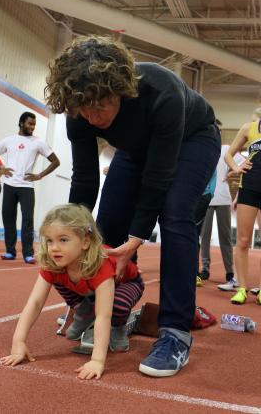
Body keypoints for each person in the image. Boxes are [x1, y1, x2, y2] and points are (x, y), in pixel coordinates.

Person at [45, 35, 221, 377]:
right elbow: (84, 179)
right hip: (135, 148)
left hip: (193, 138)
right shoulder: (79, 108)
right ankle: (109, 313)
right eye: (85, 109)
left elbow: (159, 175)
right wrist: (70, 237)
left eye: (101, 106)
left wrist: (138, 236)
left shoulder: (161, 90)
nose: (93, 116)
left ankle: (175, 333)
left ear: (122, 92)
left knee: (175, 213)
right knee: (106, 223)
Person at [1, 204, 144, 380]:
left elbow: (103, 315)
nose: (54, 248)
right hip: (88, 287)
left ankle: (120, 326)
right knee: (59, 278)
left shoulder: (101, 264)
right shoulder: (54, 262)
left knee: (116, 307)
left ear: (85, 241)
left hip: (126, 283)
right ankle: (82, 308)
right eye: (49, 240)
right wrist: (18, 342)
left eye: (63, 240)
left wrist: (97, 360)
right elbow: (35, 302)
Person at [0, 111, 60, 264]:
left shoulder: (38, 142)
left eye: (34, 124)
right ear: (21, 123)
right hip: (9, 185)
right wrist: (0, 170)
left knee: (27, 220)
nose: (32, 127)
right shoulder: (8, 140)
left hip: (27, 187)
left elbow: (55, 161)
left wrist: (40, 175)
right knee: (8, 218)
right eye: (30, 123)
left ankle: (28, 253)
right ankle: (10, 251)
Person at [224, 107, 261, 305]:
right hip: (249, 187)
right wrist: (237, 167)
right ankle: (242, 288)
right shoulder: (249, 128)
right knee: (244, 240)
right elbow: (228, 154)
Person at [200, 121, 243, 290]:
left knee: (226, 237)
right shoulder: (203, 149)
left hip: (224, 198)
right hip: (206, 198)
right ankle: (205, 269)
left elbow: (244, 163)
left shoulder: (226, 150)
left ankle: (229, 272)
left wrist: (233, 170)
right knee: (204, 236)